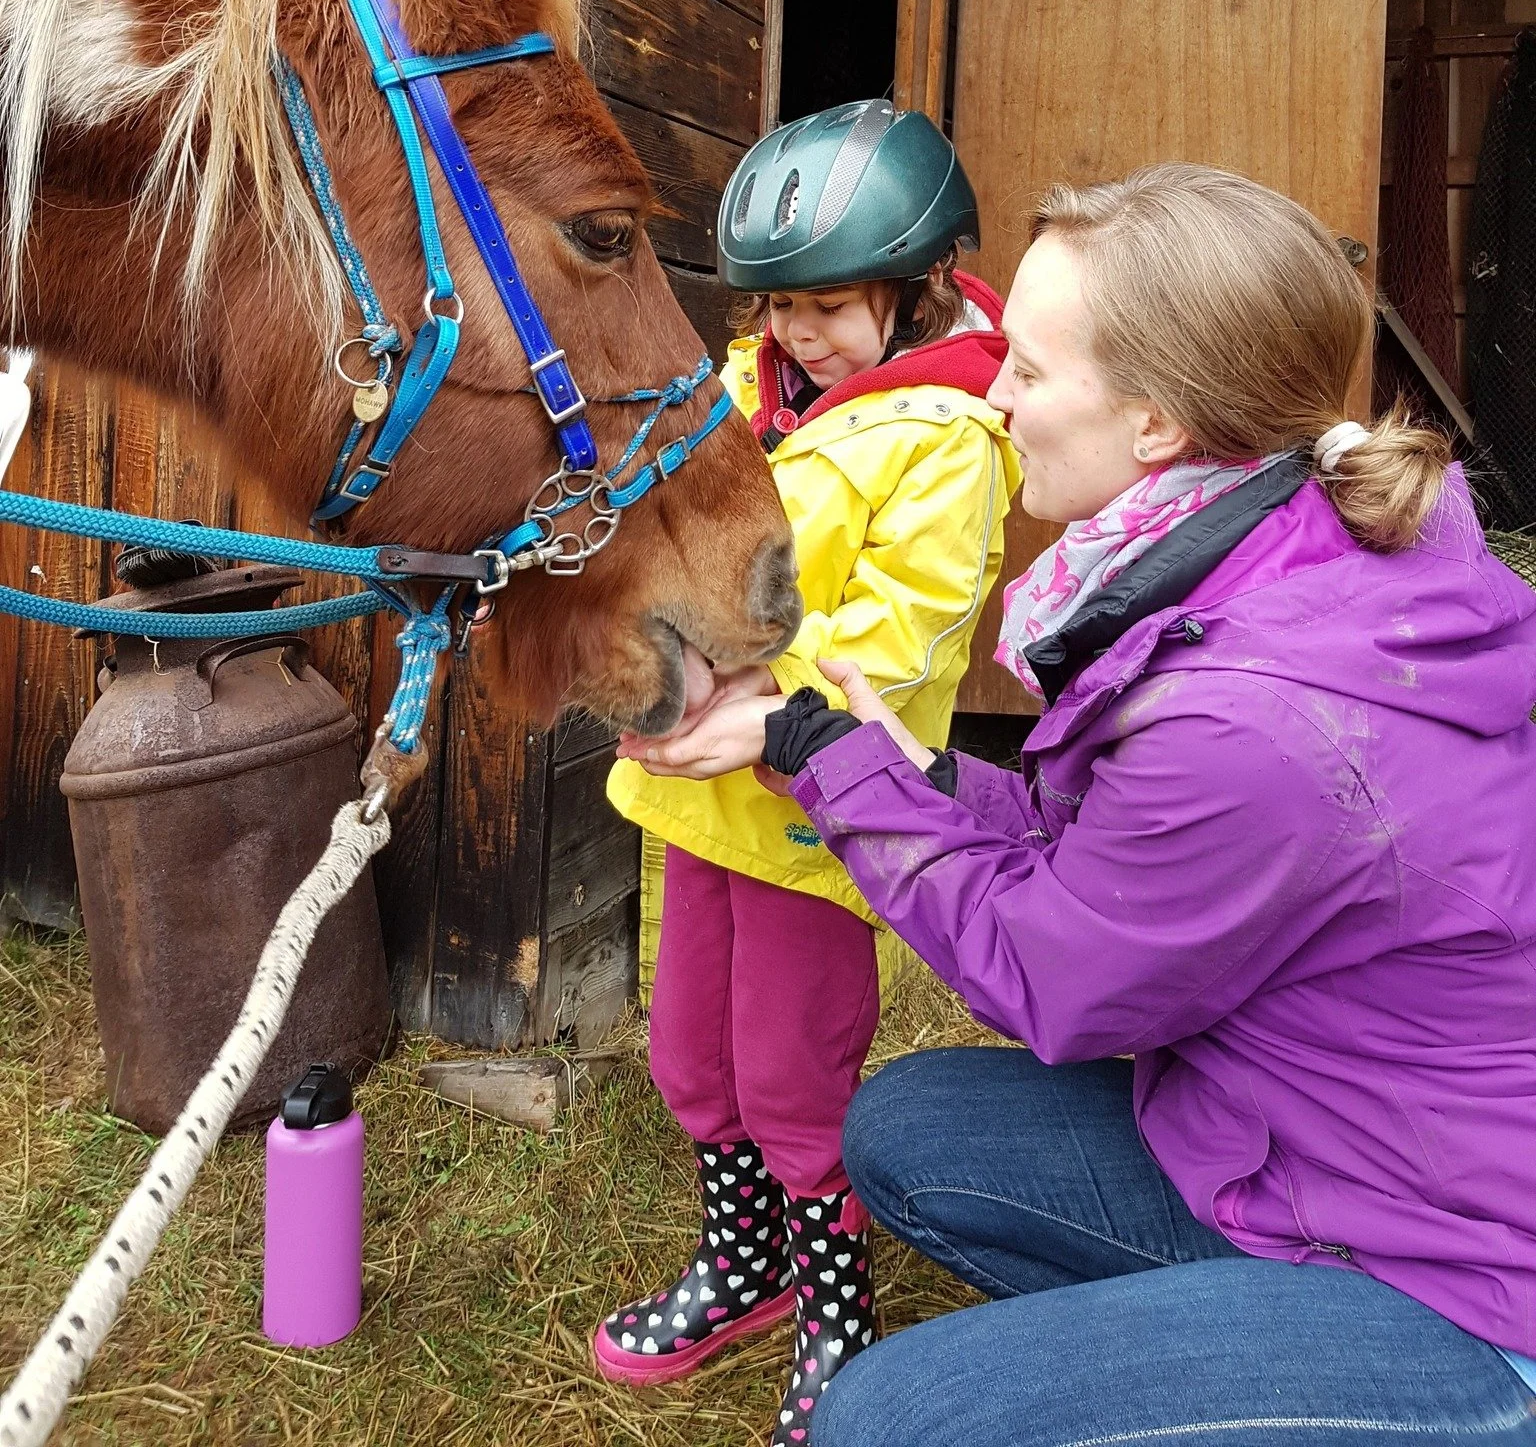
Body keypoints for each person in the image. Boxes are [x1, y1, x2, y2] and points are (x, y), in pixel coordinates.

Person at [626, 163, 1536, 1447]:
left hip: (1460, 1278)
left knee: (890, 1422)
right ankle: (1235, 1371)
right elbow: (1098, 848)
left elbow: (1056, 974)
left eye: (1031, 374)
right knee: (908, 1129)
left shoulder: (1252, 717)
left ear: (1157, 425)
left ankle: (1370, 1400)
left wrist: (824, 750)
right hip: (1317, 1144)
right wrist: (866, 753)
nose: (993, 393)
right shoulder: (1281, 546)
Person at [592, 99, 1020, 1444]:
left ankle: (838, 1300)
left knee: (791, 1072)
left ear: (921, 283)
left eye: (831, 307)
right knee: (690, 1058)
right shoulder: (742, 393)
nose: (797, 336)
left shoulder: (951, 441)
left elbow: (896, 643)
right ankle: (745, 1267)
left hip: (808, 807)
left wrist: (733, 684)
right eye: (781, 308)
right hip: (686, 794)